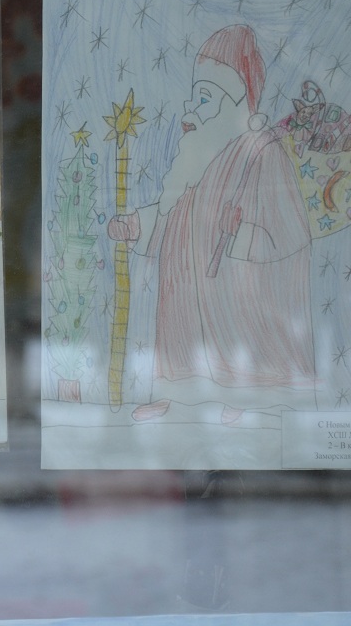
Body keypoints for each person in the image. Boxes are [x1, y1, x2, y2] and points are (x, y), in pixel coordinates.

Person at [108, 25, 315, 424]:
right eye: (193, 97)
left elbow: (288, 232)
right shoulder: (194, 158)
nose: (190, 111)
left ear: (235, 103)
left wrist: (241, 234)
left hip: (235, 289)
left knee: (234, 333)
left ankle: (244, 395)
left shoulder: (261, 153)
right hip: (186, 289)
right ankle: (175, 394)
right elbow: (170, 212)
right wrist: (136, 225)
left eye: (204, 99)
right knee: (180, 332)